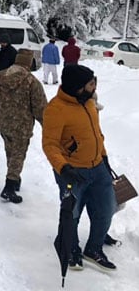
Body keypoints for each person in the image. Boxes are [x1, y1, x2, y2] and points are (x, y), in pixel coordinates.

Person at [42, 64, 117, 271]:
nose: (94, 87)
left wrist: (104, 157)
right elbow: (50, 144)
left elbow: (96, 134)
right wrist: (63, 168)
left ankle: (93, 249)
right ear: (77, 87)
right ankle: (71, 248)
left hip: (98, 167)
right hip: (72, 171)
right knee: (72, 214)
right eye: (90, 84)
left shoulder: (89, 103)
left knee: (106, 210)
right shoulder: (56, 109)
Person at [0, 49, 47, 203]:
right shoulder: (31, 82)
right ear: (28, 62)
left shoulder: (0, 76)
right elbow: (40, 107)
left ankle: (14, 178)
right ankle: (9, 187)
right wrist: (46, 124)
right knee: (18, 154)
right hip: (22, 127)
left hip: (3, 123)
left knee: (10, 151)